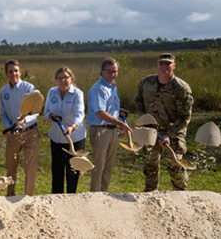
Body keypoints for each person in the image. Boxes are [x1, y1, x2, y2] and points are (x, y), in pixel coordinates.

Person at [135, 53, 193, 191]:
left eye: (168, 64)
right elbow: (138, 101)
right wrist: (145, 121)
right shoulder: (146, 83)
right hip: (151, 131)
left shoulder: (181, 88)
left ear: (174, 66)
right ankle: (150, 196)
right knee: (150, 165)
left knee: (176, 165)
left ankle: (181, 195)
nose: (164, 67)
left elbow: (185, 117)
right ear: (157, 66)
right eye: (162, 64)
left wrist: (169, 134)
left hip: (173, 132)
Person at [87, 58, 132, 192]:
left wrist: (118, 112)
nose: (112, 74)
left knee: (108, 166)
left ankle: (104, 192)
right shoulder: (99, 88)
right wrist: (120, 123)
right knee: (99, 166)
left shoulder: (112, 86)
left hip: (112, 131)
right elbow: (100, 113)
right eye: (109, 71)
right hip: (101, 130)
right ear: (102, 71)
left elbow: (107, 109)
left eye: (115, 71)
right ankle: (95, 195)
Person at [0, 59, 40, 196]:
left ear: (20, 72)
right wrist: (8, 127)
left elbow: (35, 112)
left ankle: (28, 197)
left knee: (30, 167)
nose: (13, 74)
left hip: (30, 133)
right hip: (13, 135)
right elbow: (2, 114)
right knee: (11, 168)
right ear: (6, 74)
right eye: (10, 71)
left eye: (16, 71)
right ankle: (10, 195)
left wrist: (25, 120)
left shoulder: (29, 88)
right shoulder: (3, 92)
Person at [44, 66, 87, 194]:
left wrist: (72, 127)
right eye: (60, 78)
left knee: (72, 171)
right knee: (57, 171)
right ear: (56, 80)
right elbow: (46, 111)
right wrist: (50, 116)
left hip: (74, 138)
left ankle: (71, 199)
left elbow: (80, 114)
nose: (63, 80)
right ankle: (57, 200)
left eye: (66, 77)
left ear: (71, 78)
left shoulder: (77, 94)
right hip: (56, 138)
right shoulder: (52, 92)